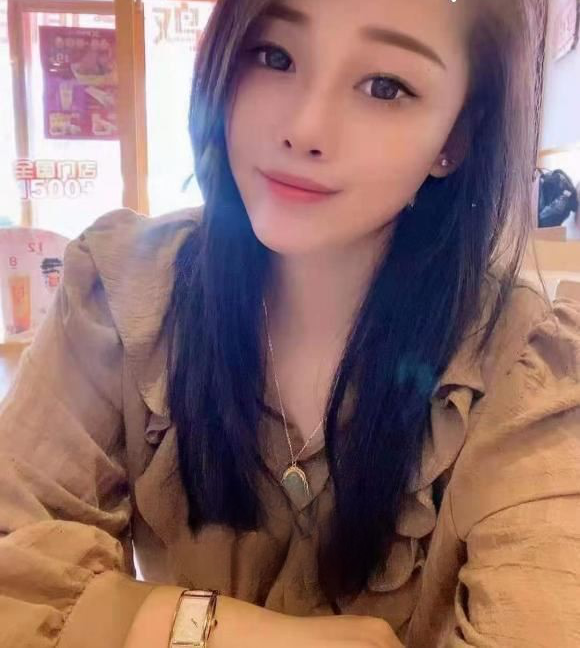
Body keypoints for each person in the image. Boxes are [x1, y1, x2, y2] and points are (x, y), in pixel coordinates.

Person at [1, 0, 579, 647]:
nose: (305, 129)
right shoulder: (120, 290)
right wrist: (227, 632)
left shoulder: (530, 371)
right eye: (275, 56)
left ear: (455, 138)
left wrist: (130, 620)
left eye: (385, 86)